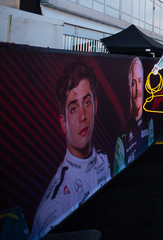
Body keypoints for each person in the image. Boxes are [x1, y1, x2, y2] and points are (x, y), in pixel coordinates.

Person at [31, 60, 111, 239]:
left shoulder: (103, 161)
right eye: (74, 108)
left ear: (95, 106)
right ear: (63, 123)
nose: (83, 116)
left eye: (87, 102)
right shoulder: (54, 206)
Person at [114, 58, 155, 175]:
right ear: (128, 89)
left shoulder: (149, 122)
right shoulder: (122, 140)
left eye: (140, 81)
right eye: (133, 83)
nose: (137, 89)